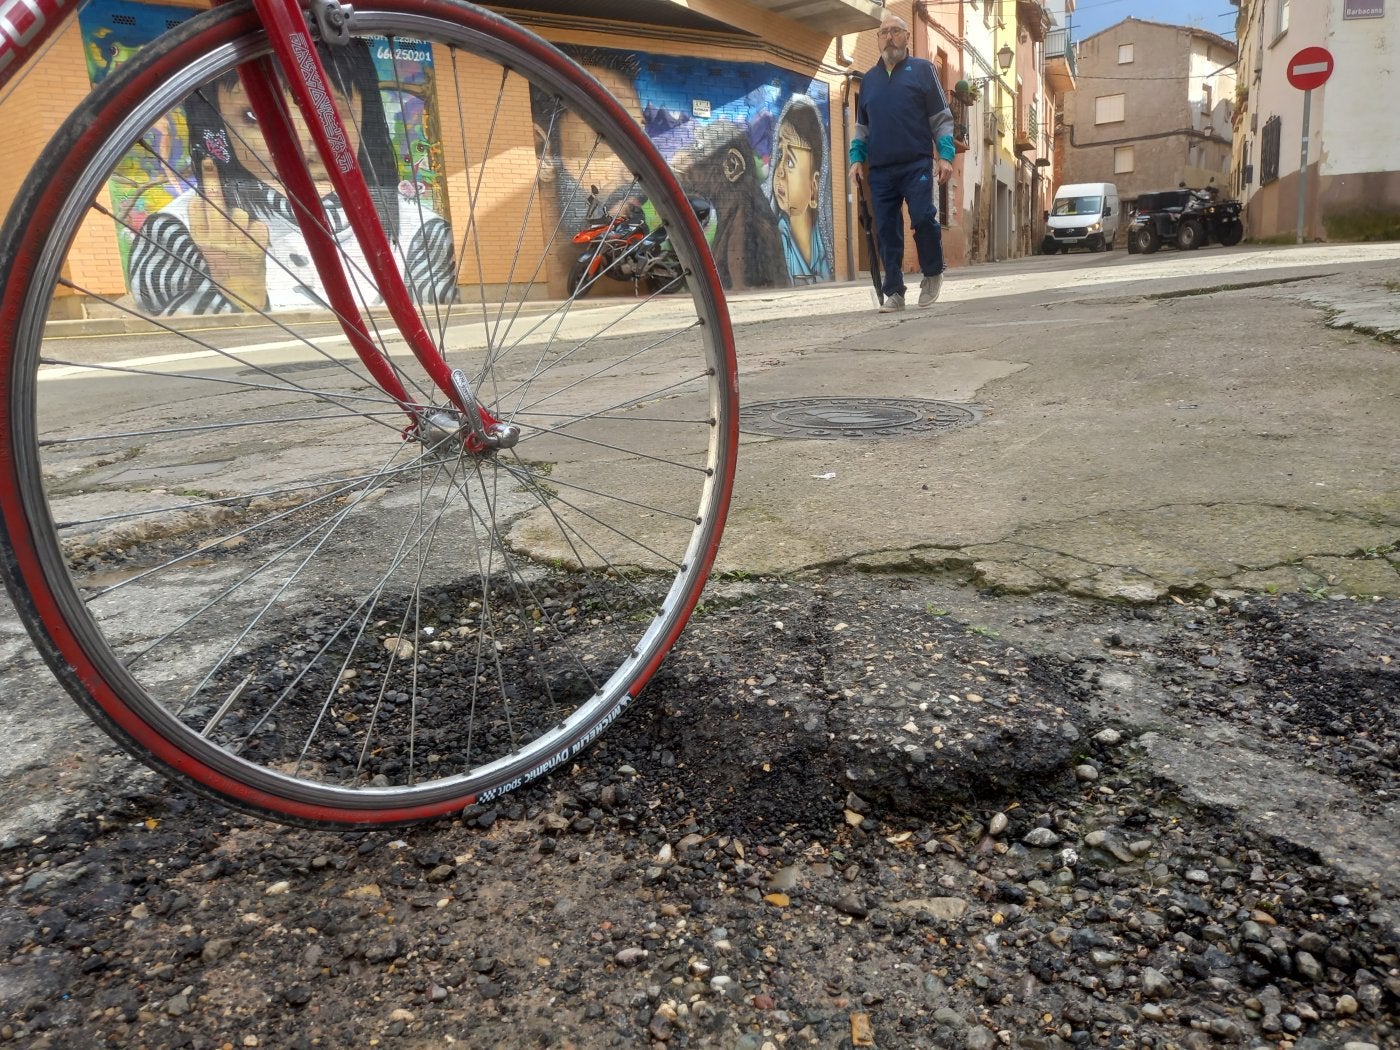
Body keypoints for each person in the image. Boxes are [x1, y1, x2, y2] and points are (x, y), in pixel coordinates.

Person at [129, 39, 455, 315]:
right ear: (219, 127)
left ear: (365, 116)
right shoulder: (175, 231)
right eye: (255, 116)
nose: (300, 137)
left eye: (327, 112)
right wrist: (241, 294)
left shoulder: (421, 232)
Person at [847, 12, 954, 313]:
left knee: (922, 217)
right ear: (878, 39)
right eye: (883, 32)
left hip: (916, 163)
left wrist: (945, 155)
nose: (889, 37)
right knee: (886, 230)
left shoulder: (923, 70)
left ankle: (932, 272)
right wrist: (857, 160)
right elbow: (861, 128)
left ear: (907, 37)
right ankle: (894, 291)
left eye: (896, 31)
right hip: (880, 170)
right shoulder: (869, 80)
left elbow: (941, 118)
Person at [771, 94, 833, 285]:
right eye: (779, 154)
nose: (779, 171)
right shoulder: (775, 240)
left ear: (814, 188)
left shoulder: (822, 248)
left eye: (789, 161)